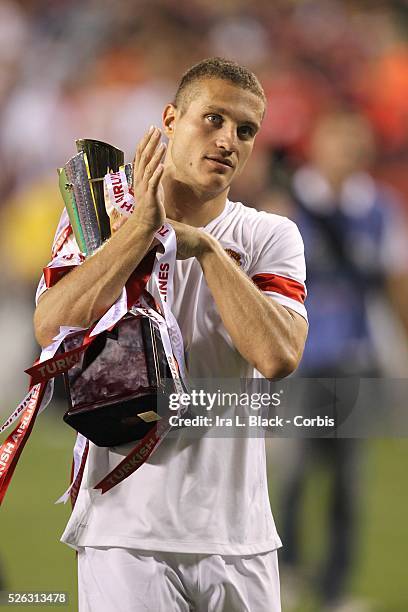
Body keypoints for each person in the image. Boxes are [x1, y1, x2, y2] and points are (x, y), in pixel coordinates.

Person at [34, 57, 308, 612]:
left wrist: (206, 249)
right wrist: (139, 231)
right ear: (171, 119)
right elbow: (51, 324)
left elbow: (278, 356)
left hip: (239, 538)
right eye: (213, 119)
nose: (229, 140)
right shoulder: (102, 219)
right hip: (125, 537)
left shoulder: (268, 234)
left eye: (245, 130)